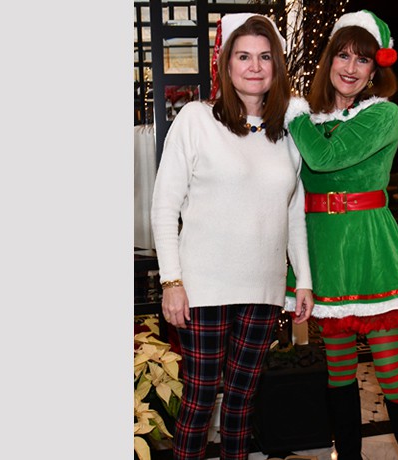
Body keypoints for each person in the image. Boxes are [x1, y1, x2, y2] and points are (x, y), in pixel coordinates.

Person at [151, 13, 314, 460]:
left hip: (262, 289)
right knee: (200, 401)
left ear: (277, 67)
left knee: (243, 404)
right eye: (244, 56)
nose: (255, 66)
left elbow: (294, 212)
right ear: (226, 63)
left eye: (265, 57)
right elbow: (165, 205)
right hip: (203, 288)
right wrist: (172, 281)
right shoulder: (197, 119)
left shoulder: (287, 133)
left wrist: (303, 279)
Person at [283, 10, 398, 460]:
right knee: (338, 370)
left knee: (389, 369)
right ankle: (347, 455)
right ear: (329, 60)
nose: (350, 67)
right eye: (343, 55)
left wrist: (293, 117)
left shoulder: (382, 114)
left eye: (362, 60)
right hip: (324, 246)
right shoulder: (312, 117)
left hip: (370, 248)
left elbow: (326, 159)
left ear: (375, 69)